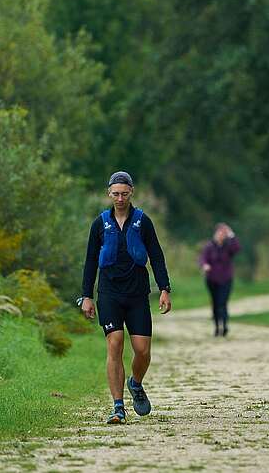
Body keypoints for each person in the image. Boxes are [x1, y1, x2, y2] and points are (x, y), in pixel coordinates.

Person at [79, 171, 172, 425]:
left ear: (131, 192)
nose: (120, 198)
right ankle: (118, 407)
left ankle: (136, 383)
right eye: (115, 194)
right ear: (109, 194)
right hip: (109, 293)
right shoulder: (99, 224)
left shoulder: (143, 221)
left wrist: (164, 288)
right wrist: (86, 295)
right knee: (115, 344)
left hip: (138, 294)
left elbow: (157, 255)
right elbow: (90, 262)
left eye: (124, 193)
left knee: (142, 352)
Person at [199, 223, 240, 337]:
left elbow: (237, 248)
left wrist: (232, 235)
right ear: (215, 234)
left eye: (223, 233)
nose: (221, 235)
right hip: (212, 279)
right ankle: (217, 327)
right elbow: (202, 258)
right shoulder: (209, 247)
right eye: (219, 233)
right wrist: (205, 265)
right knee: (215, 303)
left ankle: (225, 326)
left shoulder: (229, 247)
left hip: (226, 279)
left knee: (223, 302)